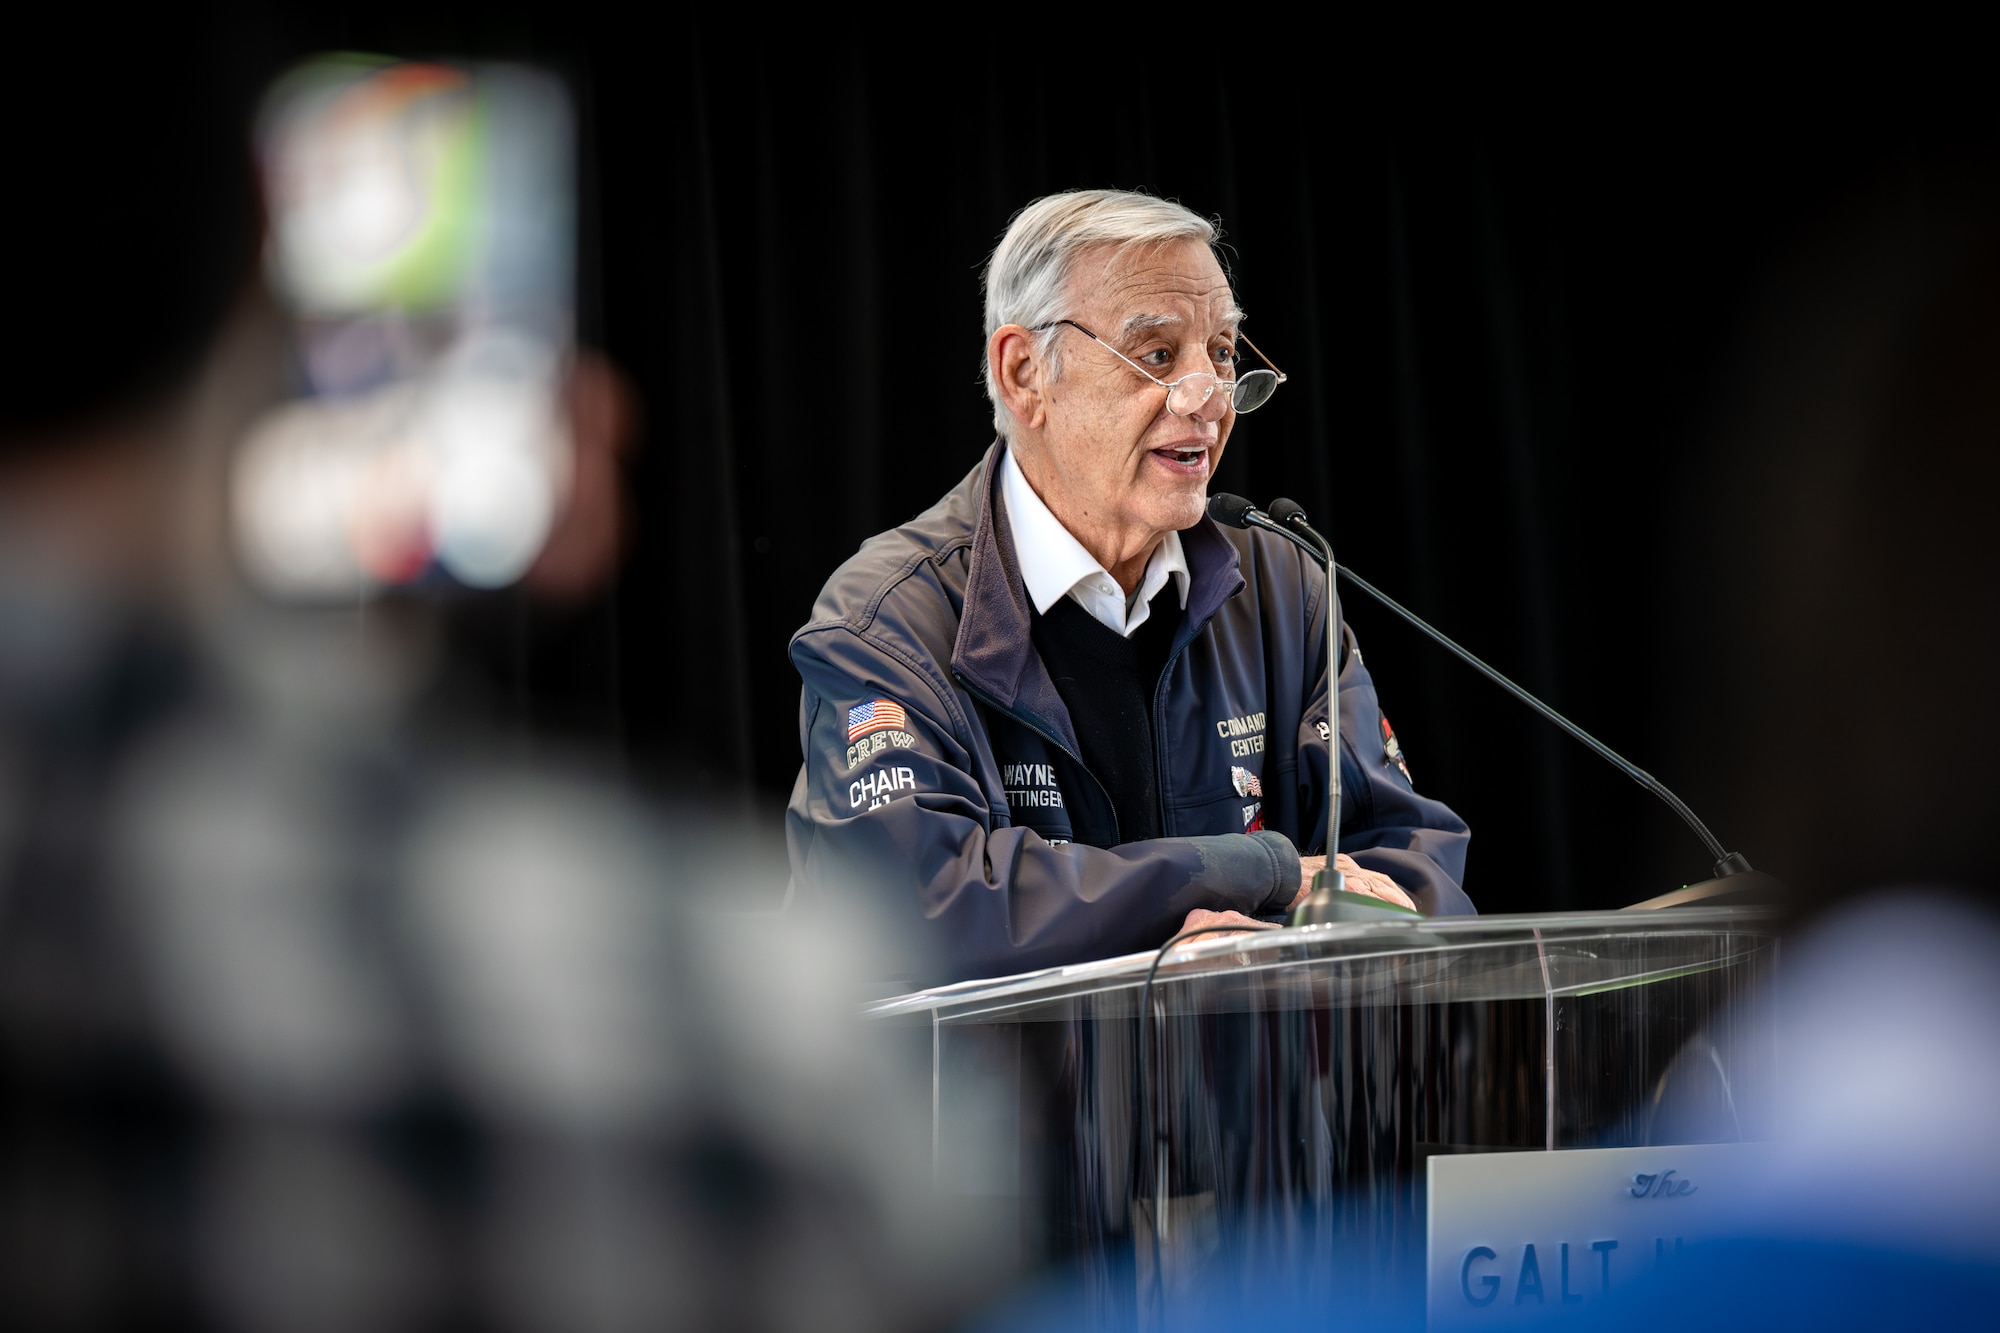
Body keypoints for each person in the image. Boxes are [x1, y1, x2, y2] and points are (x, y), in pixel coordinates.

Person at [786, 190, 1473, 985]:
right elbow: (918, 911)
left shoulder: (1283, 588)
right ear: (1024, 374)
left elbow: (1411, 858)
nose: (1210, 398)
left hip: (1244, 1103)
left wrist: (1358, 914)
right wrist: (1254, 871)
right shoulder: (886, 622)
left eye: (1220, 351)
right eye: (1156, 355)